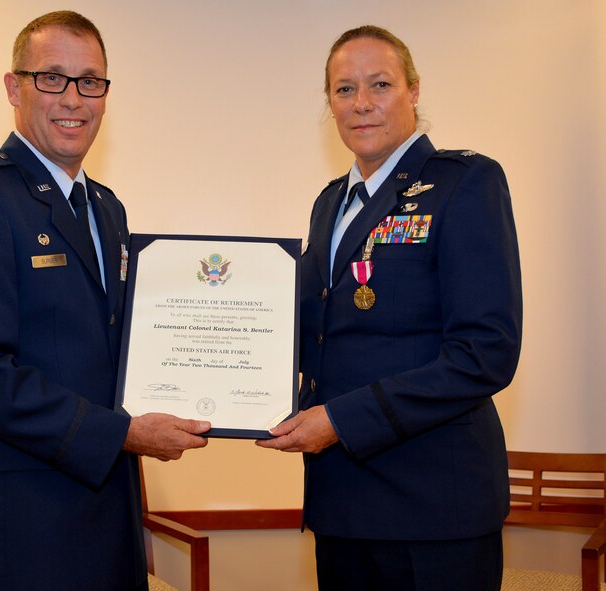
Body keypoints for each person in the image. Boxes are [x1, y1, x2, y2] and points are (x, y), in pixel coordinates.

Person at [0, 11, 210, 591]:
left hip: (111, 515)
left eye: (91, 81)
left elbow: (123, 342)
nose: (73, 98)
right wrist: (122, 435)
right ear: (13, 87)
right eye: (52, 77)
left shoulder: (105, 207)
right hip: (23, 524)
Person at [257, 25, 522, 591]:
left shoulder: (464, 183)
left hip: (433, 505)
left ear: (414, 91)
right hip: (342, 501)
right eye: (344, 90)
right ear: (330, 104)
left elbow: (485, 354)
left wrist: (342, 421)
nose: (363, 103)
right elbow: (314, 331)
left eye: (380, 84)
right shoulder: (331, 203)